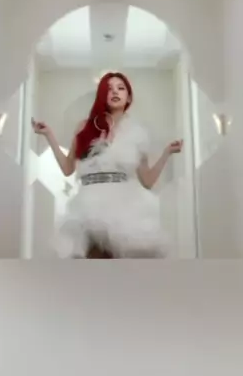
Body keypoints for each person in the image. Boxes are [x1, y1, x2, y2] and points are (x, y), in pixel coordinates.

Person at [31, 72, 183, 258]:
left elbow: (147, 181)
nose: (115, 92)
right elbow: (68, 168)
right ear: (102, 94)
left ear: (128, 97)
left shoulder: (137, 133)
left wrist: (167, 153)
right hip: (88, 204)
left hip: (124, 205)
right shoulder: (85, 127)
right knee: (91, 260)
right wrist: (49, 135)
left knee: (122, 262)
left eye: (121, 88)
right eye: (109, 89)